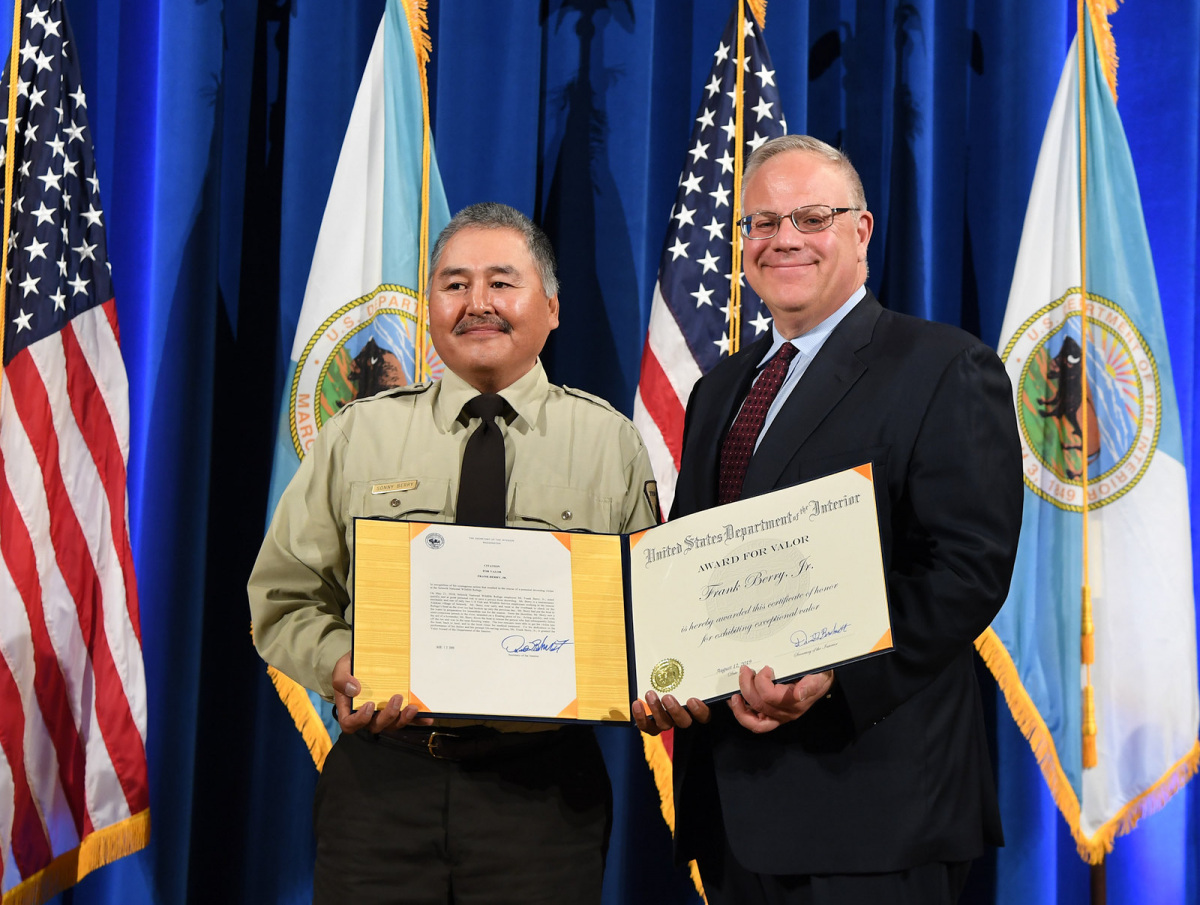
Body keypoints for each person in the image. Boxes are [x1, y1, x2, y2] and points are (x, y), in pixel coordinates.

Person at [632, 135, 1023, 904]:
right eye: (762, 222)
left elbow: (966, 570)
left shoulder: (945, 367)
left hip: (874, 808)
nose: (783, 239)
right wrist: (663, 674)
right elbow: (692, 560)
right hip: (732, 805)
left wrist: (832, 680)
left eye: (811, 217)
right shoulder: (720, 388)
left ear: (861, 231)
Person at [250, 202, 658, 905]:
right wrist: (342, 665)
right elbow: (284, 595)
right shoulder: (358, 436)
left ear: (552, 307)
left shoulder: (609, 443)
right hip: (383, 786)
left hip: (543, 793)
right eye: (455, 283)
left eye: (502, 282)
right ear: (430, 305)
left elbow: (647, 609)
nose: (478, 304)